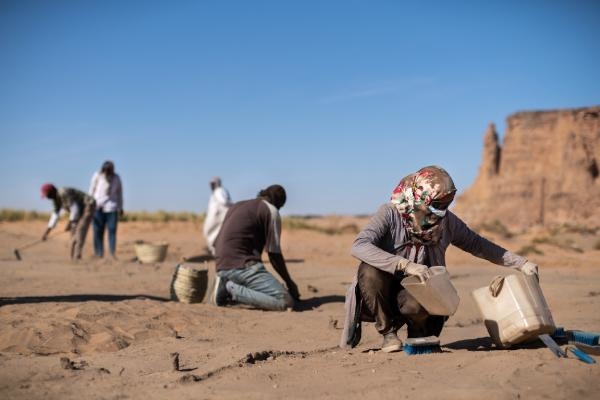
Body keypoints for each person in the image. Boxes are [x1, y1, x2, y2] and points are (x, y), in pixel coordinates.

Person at [340, 166, 539, 353]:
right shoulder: (390, 213)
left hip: (416, 293)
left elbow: (479, 245)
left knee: (419, 302)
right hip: (381, 293)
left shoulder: (447, 223)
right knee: (369, 271)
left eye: (446, 204)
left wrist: (522, 263)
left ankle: (418, 332)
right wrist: (404, 264)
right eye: (437, 204)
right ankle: (388, 334)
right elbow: (359, 245)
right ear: (419, 197)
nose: (441, 211)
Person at [210, 184, 300, 311]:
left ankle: (227, 287)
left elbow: (217, 242)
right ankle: (229, 289)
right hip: (243, 267)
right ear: (279, 203)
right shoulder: (271, 210)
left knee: (265, 290)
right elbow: (274, 255)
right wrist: (290, 284)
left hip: (221, 268)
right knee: (285, 301)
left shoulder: (237, 206)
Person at [41, 183, 96, 260]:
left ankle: (77, 257)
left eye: (47, 195)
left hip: (88, 205)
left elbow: (74, 208)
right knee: (73, 231)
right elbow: (54, 216)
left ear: (52, 192)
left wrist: (69, 224)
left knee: (80, 230)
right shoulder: (55, 200)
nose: (47, 197)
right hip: (79, 210)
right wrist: (46, 233)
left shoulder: (64, 192)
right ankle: (71, 257)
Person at [89, 160, 124, 259]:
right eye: (106, 171)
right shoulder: (97, 176)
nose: (107, 173)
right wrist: (89, 204)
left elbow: (120, 194)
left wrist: (120, 207)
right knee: (97, 231)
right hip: (97, 207)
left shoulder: (117, 178)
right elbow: (91, 190)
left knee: (112, 230)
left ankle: (112, 253)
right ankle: (98, 253)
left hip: (112, 208)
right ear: (103, 170)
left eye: (109, 171)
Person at [203, 176, 232, 256]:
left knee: (213, 233)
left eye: (213, 184)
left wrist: (233, 205)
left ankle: (216, 251)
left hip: (218, 217)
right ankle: (215, 251)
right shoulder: (218, 191)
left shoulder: (219, 191)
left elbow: (224, 202)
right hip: (216, 217)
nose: (211, 186)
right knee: (210, 233)